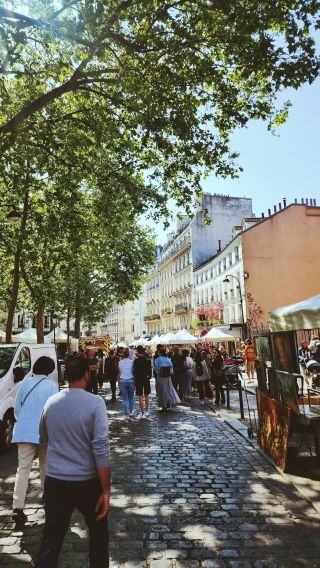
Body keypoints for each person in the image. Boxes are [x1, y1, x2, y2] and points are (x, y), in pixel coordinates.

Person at [35, 356, 111, 568]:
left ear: (65, 375)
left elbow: (43, 438)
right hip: (87, 482)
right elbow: (101, 448)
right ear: (87, 374)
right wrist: (106, 490)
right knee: (98, 536)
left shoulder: (51, 402)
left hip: (56, 480)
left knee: (51, 538)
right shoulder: (96, 404)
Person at [12, 356, 58, 524]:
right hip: (44, 431)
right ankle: (47, 496)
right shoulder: (52, 386)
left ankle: (17, 506)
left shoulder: (25, 383)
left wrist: (25, 420)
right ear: (50, 370)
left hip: (24, 430)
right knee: (45, 465)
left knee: (23, 468)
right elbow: (54, 410)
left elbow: (18, 409)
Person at [133, 345, 152, 419]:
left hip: (138, 379)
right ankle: (147, 410)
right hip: (146, 378)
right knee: (147, 394)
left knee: (140, 395)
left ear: (138, 351)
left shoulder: (136, 361)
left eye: (136, 351)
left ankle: (142, 412)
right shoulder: (147, 360)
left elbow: (134, 371)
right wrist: (148, 376)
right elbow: (150, 371)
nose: (135, 353)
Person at [118, 348, 135, 419]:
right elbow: (133, 370)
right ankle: (131, 411)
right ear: (128, 355)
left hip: (122, 380)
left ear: (123, 355)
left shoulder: (120, 362)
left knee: (125, 398)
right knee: (131, 397)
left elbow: (120, 371)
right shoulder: (132, 362)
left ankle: (126, 413)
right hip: (131, 380)